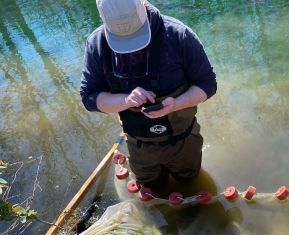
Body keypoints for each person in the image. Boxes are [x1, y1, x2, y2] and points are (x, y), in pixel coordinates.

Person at [80, 0, 217, 188]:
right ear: (102, 17)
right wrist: (126, 100)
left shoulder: (179, 35)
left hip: (183, 141)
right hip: (139, 145)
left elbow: (208, 84)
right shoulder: (97, 44)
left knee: (192, 183)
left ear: (143, 6)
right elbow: (89, 97)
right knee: (151, 189)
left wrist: (176, 103)